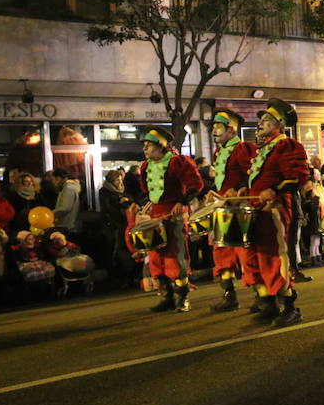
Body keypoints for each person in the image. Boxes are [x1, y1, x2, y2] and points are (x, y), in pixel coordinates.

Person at [237, 99, 310, 327]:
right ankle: (268, 303)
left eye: (266, 120)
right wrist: (246, 190)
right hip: (259, 210)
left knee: (275, 258)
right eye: (261, 120)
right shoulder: (264, 148)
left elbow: (297, 177)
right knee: (255, 258)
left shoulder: (286, 145)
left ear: (279, 123)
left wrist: (274, 190)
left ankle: (290, 306)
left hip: (275, 209)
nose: (260, 123)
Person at [139, 126, 203, 312]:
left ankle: (183, 297)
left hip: (173, 216)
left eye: (149, 145)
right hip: (155, 216)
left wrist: (181, 202)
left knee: (175, 257)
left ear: (161, 146)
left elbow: (196, 184)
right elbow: (147, 192)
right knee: (156, 257)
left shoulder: (177, 162)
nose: (145, 149)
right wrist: (143, 205)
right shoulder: (145, 167)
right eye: (144, 145)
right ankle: (166, 297)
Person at [206, 109, 257, 312]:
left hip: (240, 209)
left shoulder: (244, 149)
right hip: (223, 209)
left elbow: (254, 174)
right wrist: (214, 192)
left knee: (246, 255)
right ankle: (229, 296)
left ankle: (262, 295)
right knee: (221, 255)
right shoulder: (219, 152)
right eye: (213, 127)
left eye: (218, 127)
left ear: (231, 129)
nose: (214, 131)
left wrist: (240, 188)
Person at [99, 170, 135, 288]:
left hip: (126, 224)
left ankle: (129, 276)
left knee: (127, 250)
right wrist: (120, 205)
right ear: (111, 181)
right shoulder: (104, 191)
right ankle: (118, 277)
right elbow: (106, 208)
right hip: (114, 226)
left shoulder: (124, 190)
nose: (119, 182)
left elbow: (133, 202)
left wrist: (127, 202)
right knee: (116, 251)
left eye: (120, 179)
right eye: (117, 180)